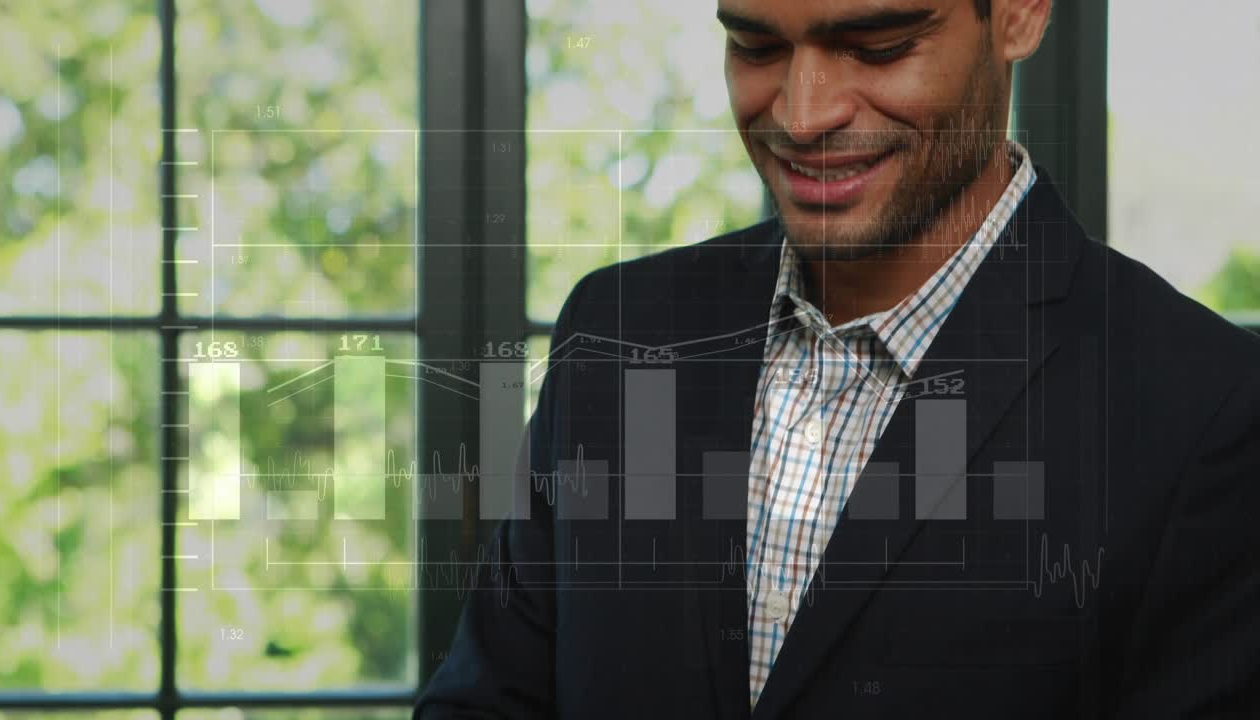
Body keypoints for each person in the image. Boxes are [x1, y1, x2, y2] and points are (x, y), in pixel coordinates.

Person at [415, 0, 1260, 717]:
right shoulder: (620, 332)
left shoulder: (1206, 414)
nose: (802, 113)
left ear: (1020, 13)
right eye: (756, 47)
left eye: (878, 47)